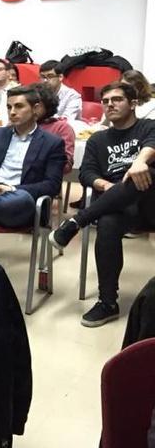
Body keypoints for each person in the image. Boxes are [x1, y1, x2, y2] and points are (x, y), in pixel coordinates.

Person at [49, 82, 155, 327]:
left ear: (133, 103)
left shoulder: (148, 127)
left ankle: (76, 222)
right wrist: (111, 189)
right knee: (107, 222)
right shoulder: (97, 139)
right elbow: (86, 173)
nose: (110, 105)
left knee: (148, 172)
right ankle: (108, 302)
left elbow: (152, 144)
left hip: (148, 204)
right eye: (106, 101)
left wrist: (139, 162)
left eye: (117, 99)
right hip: (116, 207)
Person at [0, 85, 66, 228]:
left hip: (18, 201)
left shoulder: (52, 143)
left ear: (35, 109)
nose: (12, 112)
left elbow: (52, 185)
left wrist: (11, 189)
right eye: (9, 107)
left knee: (21, 198)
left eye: (19, 106)